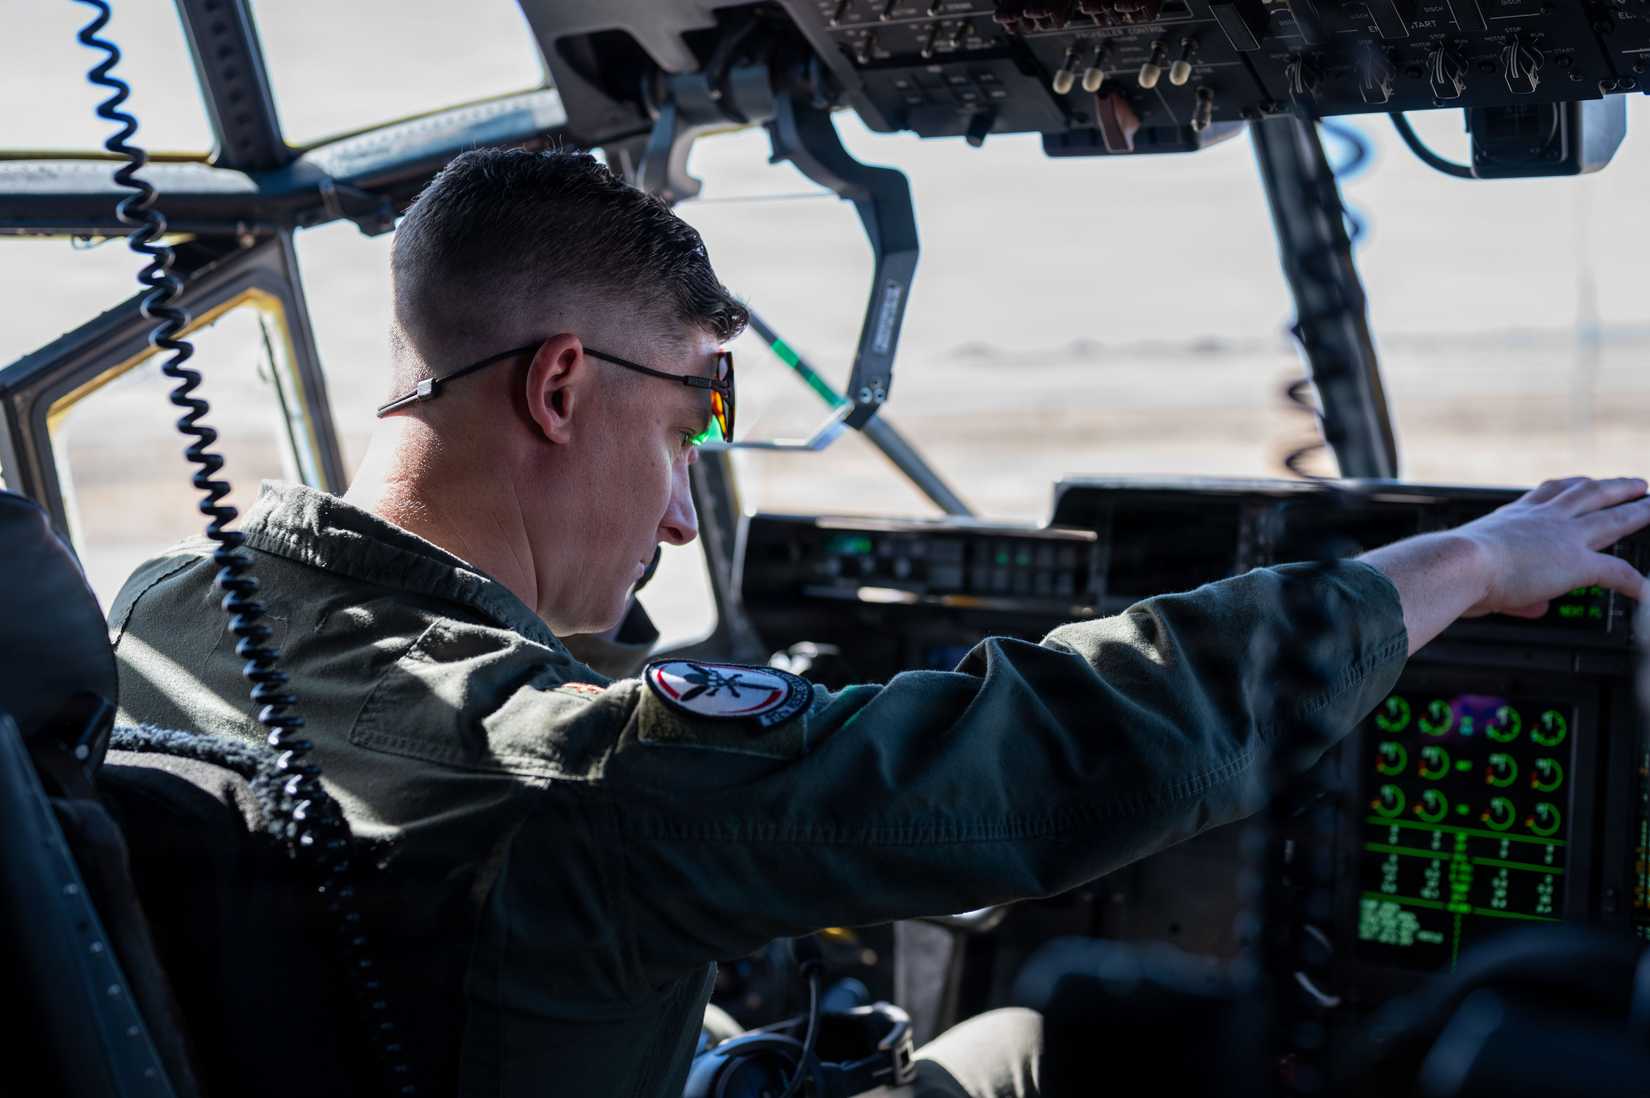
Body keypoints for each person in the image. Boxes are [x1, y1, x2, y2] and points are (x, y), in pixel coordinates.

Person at [108, 147, 1650, 1098]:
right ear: (561, 386)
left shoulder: (169, 611)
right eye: (685, 433)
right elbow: (1039, 749)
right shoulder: (572, 771)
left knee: (1015, 1047)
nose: (668, 520)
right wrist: (1466, 565)